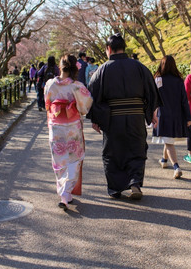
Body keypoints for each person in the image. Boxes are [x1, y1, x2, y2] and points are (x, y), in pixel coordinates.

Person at [88, 33, 161, 200]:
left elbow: (91, 95)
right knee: (136, 150)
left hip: (113, 119)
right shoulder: (139, 67)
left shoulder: (102, 70)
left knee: (112, 153)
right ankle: (135, 182)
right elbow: (151, 91)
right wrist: (153, 113)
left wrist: (95, 119)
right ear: (124, 48)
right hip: (136, 117)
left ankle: (115, 189)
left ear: (108, 49)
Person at [44, 55, 93, 211]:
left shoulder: (50, 84)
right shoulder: (76, 87)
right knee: (74, 159)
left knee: (59, 160)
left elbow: (47, 102)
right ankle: (65, 193)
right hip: (71, 126)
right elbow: (85, 106)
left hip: (56, 126)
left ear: (60, 66)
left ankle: (65, 193)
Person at [152, 55, 191, 179]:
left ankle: (176, 167)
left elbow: (153, 99)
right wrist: (188, 117)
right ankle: (164, 160)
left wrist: (151, 115)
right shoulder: (179, 80)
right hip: (177, 115)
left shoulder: (158, 79)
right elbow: (184, 100)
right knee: (168, 139)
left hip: (162, 115)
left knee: (168, 142)